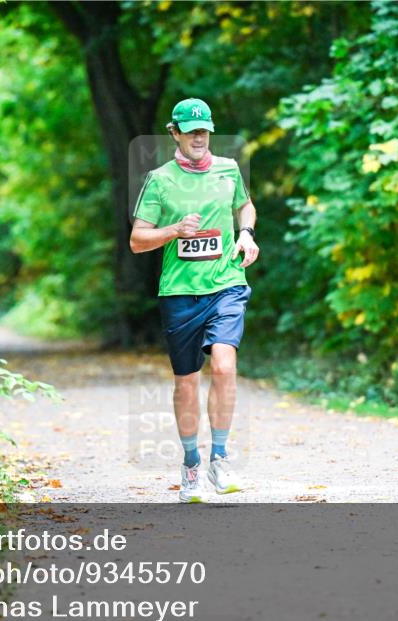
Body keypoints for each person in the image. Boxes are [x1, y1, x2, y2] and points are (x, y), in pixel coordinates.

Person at [130, 98, 259, 503]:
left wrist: (246, 233)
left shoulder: (229, 170)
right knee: (187, 381)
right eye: (191, 131)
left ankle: (219, 458)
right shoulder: (160, 180)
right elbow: (137, 241)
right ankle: (190, 465)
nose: (199, 137)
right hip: (180, 293)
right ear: (175, 133)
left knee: (224, 363)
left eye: (204, 130)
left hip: (226, 283)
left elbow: (245, 205)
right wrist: (173, 231)